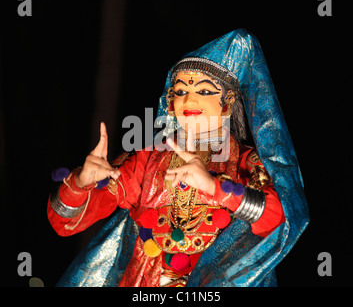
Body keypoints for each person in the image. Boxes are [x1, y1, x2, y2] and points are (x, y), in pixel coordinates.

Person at [48, 29, 309, 287]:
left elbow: (281, 222)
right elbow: (63, 223)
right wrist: (81, 183)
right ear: (170, 103)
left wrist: (215, 188)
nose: (189, 99)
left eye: (205, 91)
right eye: (181, 91)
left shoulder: (246, 162)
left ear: (227, 103)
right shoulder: (148, 159)